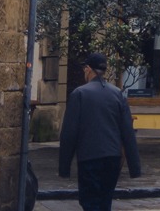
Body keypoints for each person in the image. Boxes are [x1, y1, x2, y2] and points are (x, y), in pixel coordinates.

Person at [58, 52, 142, 211]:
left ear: (88, 69)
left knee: (89, 202)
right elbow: (127, 132)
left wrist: (64, 167)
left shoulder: (79, 94)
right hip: (112, 158)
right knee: (105, 201)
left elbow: (69, 133)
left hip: (89, 157)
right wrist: (134, 167)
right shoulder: (117, 94)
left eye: (84, 69)